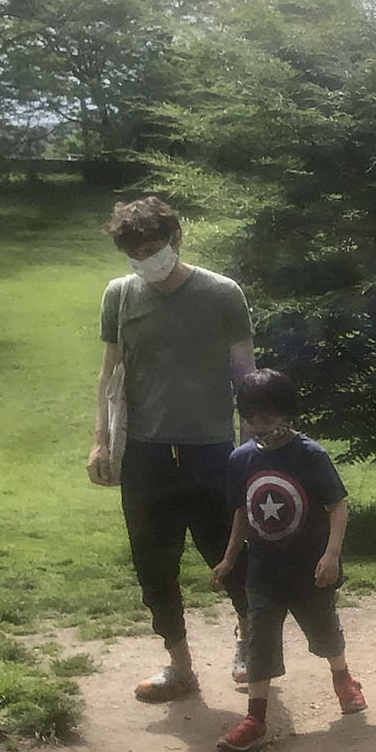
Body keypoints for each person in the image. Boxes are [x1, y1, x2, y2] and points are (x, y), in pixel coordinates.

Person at [90, 197, 255, 703]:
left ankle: (251, 638)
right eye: (136, 253)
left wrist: (255, 450)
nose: (147, 259)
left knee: (229, 553)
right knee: (153, 564)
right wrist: (100, 441)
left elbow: (246, 375)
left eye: (154, 247)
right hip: (145, 453)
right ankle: (180, 667)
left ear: (174, 240)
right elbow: (109, 374)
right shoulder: (120, 295)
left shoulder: (222, 293)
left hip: (212, 449)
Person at [209, 369, 365, 752]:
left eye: (269, 416)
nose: (262, 425)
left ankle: (343, 678)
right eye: (253, 418)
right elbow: (243, 513)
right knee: (258, 642)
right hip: (263, 572)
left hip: (310, 570)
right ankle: (255, 718)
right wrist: (229, 559)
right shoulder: (241, 460)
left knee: (325, 632)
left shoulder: (310, 456)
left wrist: (331, 554)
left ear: (287, 412)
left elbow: (338, 506)